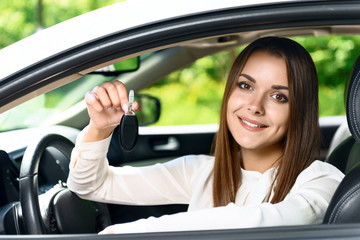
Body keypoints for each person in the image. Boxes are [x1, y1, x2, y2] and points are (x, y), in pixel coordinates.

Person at [67, 37, 344, 234]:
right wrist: (100, 128)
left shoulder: (324, 181)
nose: (255, 106)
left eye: (278, 96)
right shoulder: (202, 172)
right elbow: (91, 186)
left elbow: (256, 222)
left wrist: (126, 232)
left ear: (301, 110)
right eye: (246, 85)